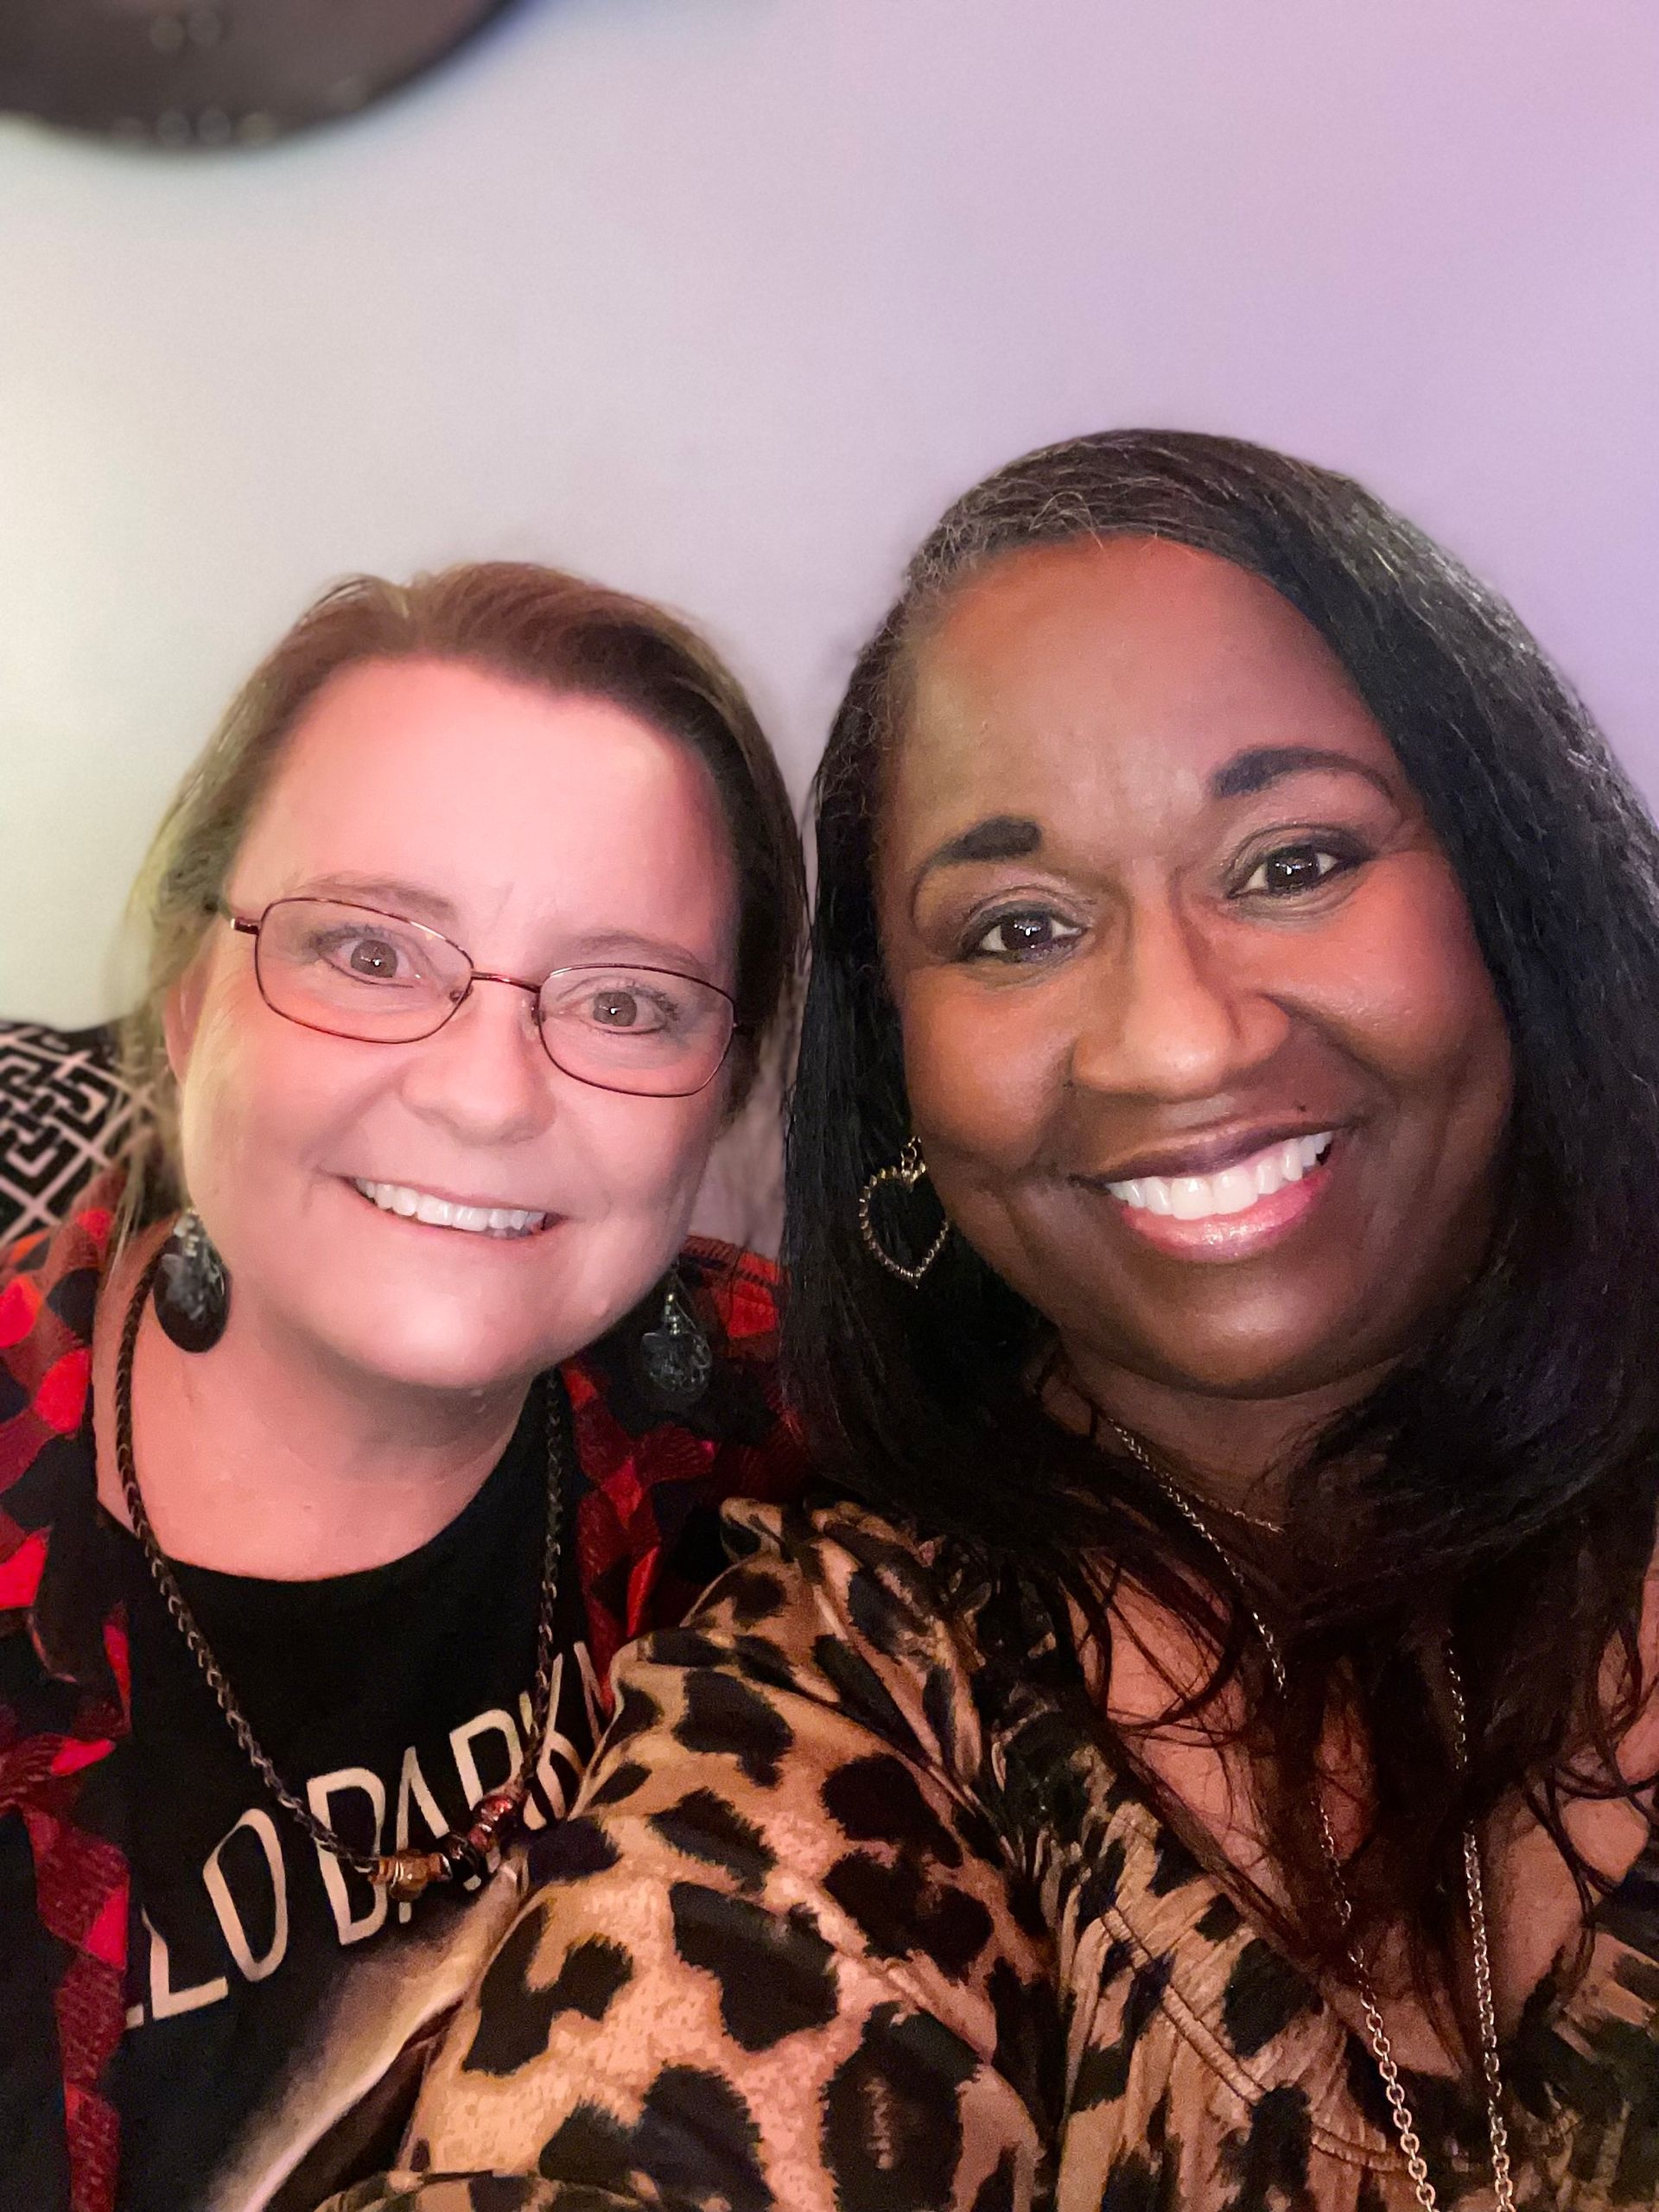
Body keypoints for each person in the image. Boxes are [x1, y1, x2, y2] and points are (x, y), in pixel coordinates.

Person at [344, 435, 1659, 2211]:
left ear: (1509, 891)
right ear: (898, 1075)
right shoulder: (845, 1679)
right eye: (1020, 924)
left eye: (1293, 858)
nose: (1180, 1040)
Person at [0, 561, 807, 2212]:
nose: (490, 1096)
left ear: (717, 1093)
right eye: (369, 951)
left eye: (627, 999)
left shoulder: (773, 1421)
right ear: (185, 1001)